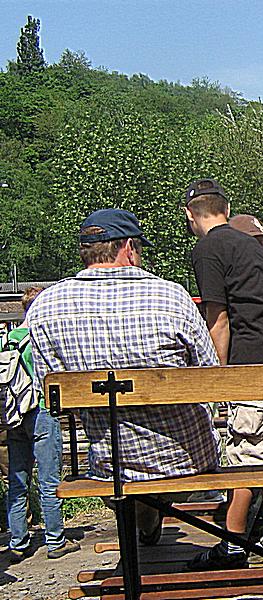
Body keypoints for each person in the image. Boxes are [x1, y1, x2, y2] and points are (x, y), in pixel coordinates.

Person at [26, 208, 219, 551]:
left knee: (122, 474)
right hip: (185, 458)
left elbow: (53, 391)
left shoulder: (44, 307)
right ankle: (154, 517)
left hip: (110, 462)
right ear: (128, 248)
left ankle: (144, 521)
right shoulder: (171, 296)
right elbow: (208, 374)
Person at [184, 180, 263, 570]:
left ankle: (232, 545)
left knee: (245, 451)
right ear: (226, 210)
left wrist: (219, 378)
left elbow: (218, 319)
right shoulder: (249, 244)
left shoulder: (207, 249)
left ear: (190, 215)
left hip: (251, 360)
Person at [4, 287, 80, 562]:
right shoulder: (41, 338)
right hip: (41, 410)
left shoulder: (9, 339)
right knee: (49, 480)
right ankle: (55, 541)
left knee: (17, 479)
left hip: (14, 413)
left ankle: (18, 541)